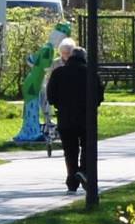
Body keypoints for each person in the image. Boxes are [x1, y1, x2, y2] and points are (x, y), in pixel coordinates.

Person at [47, 40, 103, 193]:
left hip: (65, 118)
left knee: (70, 150)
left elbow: (51, 96)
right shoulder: (91, 73)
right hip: (87, 118)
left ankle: (72, 181)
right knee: (87, 147)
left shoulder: (58, 73)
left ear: (70, 57)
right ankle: (83, 171)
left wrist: (60, 105)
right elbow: (99, 96)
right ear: (84, 58)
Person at [12, 20, 70, 144]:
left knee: (34, 107)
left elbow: (31, 59)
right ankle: (32, 133)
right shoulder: (48, 50)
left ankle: (33, 131)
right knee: (32, 109)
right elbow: (45, 67)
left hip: (35, 82)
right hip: (34, 84)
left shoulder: (47, 48)